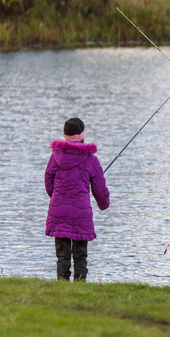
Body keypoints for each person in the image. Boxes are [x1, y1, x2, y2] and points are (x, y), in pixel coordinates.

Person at [45, 117, 110, 281]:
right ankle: (80, 287)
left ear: (64, 135)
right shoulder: (91, 160)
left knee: (62, 256)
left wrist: (58, 197)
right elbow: (99, 190)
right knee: (80, 256)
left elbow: (48, 182)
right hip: (81, 215)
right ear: (82, 135)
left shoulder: (55, 157)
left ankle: (62, 285)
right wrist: (104, 204)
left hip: (58, 212)